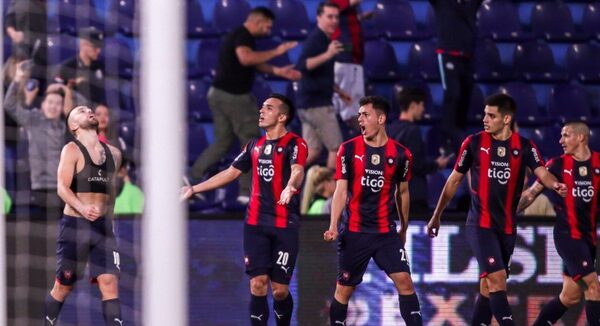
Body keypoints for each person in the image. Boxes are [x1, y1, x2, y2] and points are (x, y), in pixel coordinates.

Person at [426, 93, 567, 326]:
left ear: (507, 119)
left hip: (507, 227)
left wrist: (555, 184)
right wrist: (436, 215)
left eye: (491, 115)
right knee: (498, 279)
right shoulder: (473, 143)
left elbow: (542, 173)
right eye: (484, 114)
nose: (485, 119)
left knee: (487, 286)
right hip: (479, 224)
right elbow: (453, 181)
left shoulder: (524, 147)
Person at [182, 94, 307, 326]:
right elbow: (231, 172)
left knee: (279, 291)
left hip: (284, 224)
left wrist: (290, 186)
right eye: (261, 107)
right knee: (258, 283)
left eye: (268, 108)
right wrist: (194, 188)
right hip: (256, 224)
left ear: (282, 116)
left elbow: (298, 169)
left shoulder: (295, 143)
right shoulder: (254, 146)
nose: (261, 111)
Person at [324, 96, 423, 326]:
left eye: (365, 114)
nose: (360, 118)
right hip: (355, 231)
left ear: (381, 118)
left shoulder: (401, 154)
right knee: (344, 290)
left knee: (405, 282)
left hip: (385, 233)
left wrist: (404, 228)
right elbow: (340, 191)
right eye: (359, 115)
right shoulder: (348, 149)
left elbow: (403, 193)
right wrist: (333, 225)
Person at [189, 6, 301, 204]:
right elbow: (246, 58)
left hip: (217, 94)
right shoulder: (244, 36)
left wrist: (279, 72)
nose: (268, 32)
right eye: (267, 27)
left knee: (222, 141)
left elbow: (251, 62)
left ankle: (193, 177)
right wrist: (277, 51)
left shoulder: (239, 36)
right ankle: (245, 192)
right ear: (257, 22)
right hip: (234, 96)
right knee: (251, 142)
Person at [44, 105, 123, 326]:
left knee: (109, 283)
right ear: (74, 125)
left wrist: (111, 224)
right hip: (75, 225)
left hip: (103, 229)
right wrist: (82, 207)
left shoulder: (115, 154)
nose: (88, 110)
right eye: (80, 110)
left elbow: (112, 196)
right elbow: (62, 188)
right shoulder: (71, 149)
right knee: (63, 286)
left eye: (89, 108)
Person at [517, 121, 600, 326]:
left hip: (588, 237)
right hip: (567, 236)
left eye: (566, 135)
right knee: (593, 287)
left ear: (581, 137)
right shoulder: (557, 164)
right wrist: (505, 214)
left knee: (570, 296)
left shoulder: (599, 164)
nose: (560, 140)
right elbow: (530, 194)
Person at [5, 60, 74, 212]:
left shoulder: (66, 127)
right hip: (36, 188)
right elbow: (9, 105)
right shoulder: (33, 119)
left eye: (58, 103)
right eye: (50, 102)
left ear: (62, 107)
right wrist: (18, 77)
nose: (53, 106)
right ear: (42, 104)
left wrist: (67, 91)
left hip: (60, 189)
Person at [295, 1, 350, 168]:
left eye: (336, 17)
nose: (334, 20)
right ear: (319, 18)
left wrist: (339, 91)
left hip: (308, 104)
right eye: (329, 16)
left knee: (313, 150)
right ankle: (329, 192)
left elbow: (320, 74)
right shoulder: (317, 39)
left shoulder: (325, 39)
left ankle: (284, 180)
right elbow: (303, 66)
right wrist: (328, 54)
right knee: (336, 149)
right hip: (317, 105)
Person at [387, 87, 453, 217]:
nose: (423, 109)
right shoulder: (413, 131)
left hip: (391, 197)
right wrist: (437, 164)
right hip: (413, 198)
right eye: (422, 105)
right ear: (413, 105)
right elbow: (416, 164)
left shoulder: (389, 130)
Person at [429, 0, 483, 153]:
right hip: (448, 54)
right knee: (452, 95)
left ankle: (458, 141)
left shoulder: (472, 3)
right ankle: (448, 140)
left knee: (465, 98)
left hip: (467, 56)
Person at [331, 0, 367, 133]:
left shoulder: (349, 12)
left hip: (353, 60)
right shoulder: (336, 4)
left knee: (352, 108)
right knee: (349, 110)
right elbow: (336, 7)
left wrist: (361, 18)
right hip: (344, 59)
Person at [54, 26, 106, 105]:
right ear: (83, 45)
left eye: (100, 47)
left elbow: (101, 95)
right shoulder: (68, 66)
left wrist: (82, 83)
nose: (98, 51)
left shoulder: (100, 66)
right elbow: (56, 92)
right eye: (95, 47)